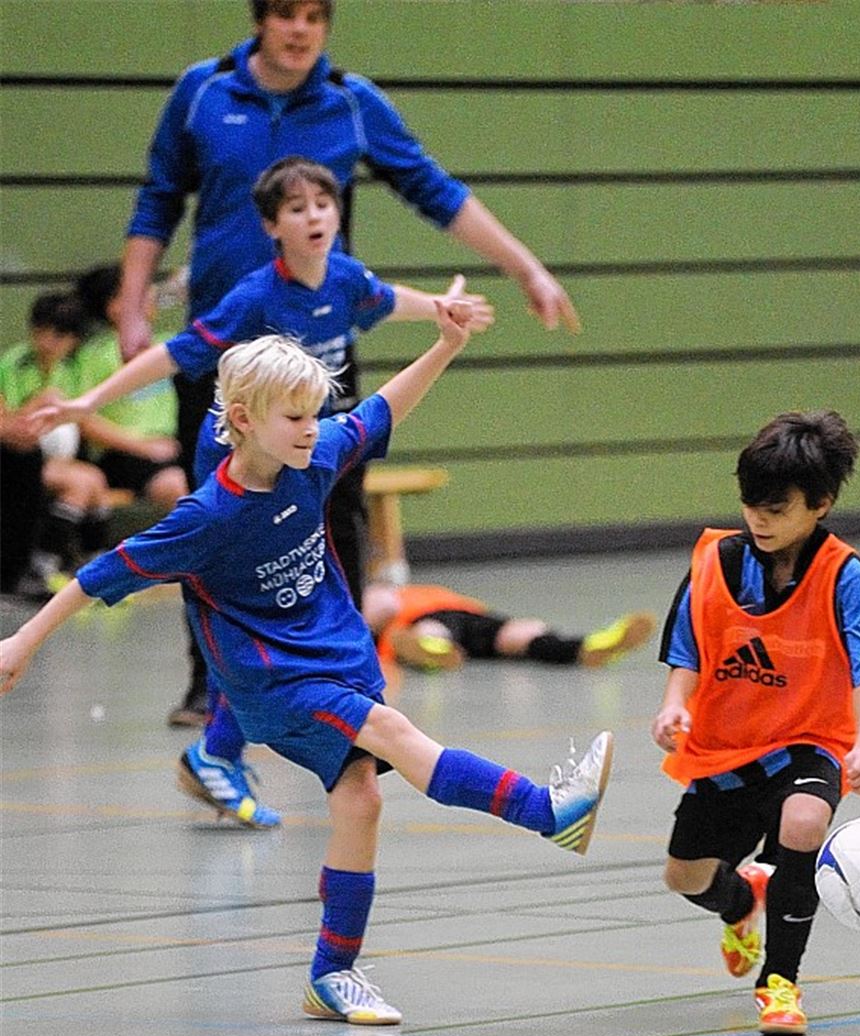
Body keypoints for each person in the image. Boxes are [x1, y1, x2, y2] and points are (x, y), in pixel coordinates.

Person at [0, 313, 614, 1026]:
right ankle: (548, 811)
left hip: (334, 657)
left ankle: (332, 974)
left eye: (314, 413)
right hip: (277, 685)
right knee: (391, 730)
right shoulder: (206, 518)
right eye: (295, 416)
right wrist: (22, 642)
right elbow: (102, 574)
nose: (311, 426)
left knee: (362, 800)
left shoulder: (311, 453)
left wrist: (445, 343)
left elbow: (383, 409)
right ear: (242, 418)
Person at [116, 0, 579, 725]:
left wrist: (525, 267)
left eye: (314, 16)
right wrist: (133, 302)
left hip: (316, 357)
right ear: (260, 20)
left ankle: (341, 661)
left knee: (338, 510)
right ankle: (211, 683)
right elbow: (157, 200)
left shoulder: (350, 103)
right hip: (223, 354)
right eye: (285, 15)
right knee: (211, 514)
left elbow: (434, 188)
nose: (300, 30)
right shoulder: (203, 92)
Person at [40, 156, 493, 825]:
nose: (314, 217)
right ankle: (225, 741)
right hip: (251, 464)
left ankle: (228, 744)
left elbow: (385, 299)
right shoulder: (254, 296)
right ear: (271, 225)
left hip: (319, 449)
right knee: (253, 599)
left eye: (324, 204)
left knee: (306, 593)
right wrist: (92, 400)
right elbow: (178, 351)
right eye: (297, 208)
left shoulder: (343, 278)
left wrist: (441, 310)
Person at [651, 410, 860, 1036]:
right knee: (685, 877)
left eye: (776, 508)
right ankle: (741, 903)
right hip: (725, 747)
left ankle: (781, 984)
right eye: (750, 505)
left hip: (807, 742)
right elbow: (686, 651)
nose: (759, 519)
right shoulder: (714, 561)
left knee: (805, 820)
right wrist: (672, 704)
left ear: (819, 505)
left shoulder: (845, 575)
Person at [0, 292, 109, 591]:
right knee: (79, 484)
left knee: (95, 480)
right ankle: (41, 566)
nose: (46, 342)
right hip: (22, 457)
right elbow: (6, 423)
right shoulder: (13, 365)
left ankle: (94, 565)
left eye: (58, 335)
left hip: (61, 457)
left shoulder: (72, 370)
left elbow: (84, 420)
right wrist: (35, 405)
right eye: (40, 332)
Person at [73, 264, 189, 512]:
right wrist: (144, 447)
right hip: (122, 455)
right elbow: (84, 421)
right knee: (175, 487)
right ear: (113, 307)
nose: (150, 294)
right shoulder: (97, 354)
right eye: (140, 289)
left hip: (170, 449)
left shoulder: (165, 344)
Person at [362, 581, 658, 672]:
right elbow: (381, 607)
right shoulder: (385, 605)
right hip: (425, 619)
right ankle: (428, 649)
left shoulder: (396, 591)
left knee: (521, 633)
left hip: (469, 615)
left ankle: (588, 646)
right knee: (435, 629)